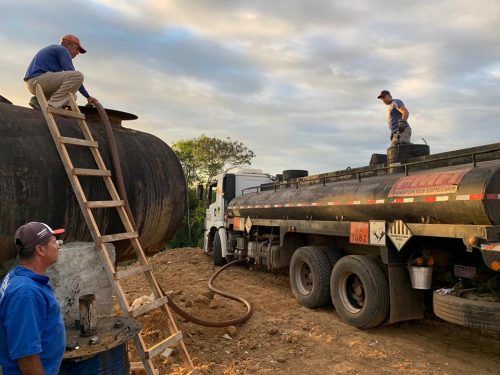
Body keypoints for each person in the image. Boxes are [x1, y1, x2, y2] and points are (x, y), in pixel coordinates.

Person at [0, 222, 66, 375]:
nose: (58, 246)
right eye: (54, 242)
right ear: (40, 250)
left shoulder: (17, 276)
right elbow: (26, 356)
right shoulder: (26, 292)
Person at [23, 35, 97, 110]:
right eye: (77, 49)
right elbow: (71, 72)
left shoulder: (55, 50)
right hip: (37, 81)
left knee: (72, 95)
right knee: (78, 75)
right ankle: (51, 106)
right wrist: (87, 96)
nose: (77, 53)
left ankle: (40, 101)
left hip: (36, 83)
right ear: (69, 44)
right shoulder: (62, 50)